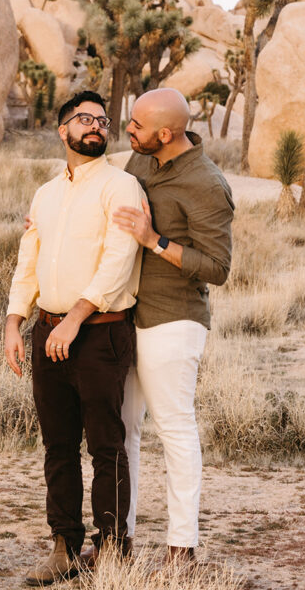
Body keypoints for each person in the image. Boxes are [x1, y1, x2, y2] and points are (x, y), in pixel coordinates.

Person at [4, 90, 144, 586]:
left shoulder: (121, 186)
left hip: (100, 336)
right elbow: (29, 260)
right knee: (58, 446)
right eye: (84, 119)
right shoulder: (46, 194)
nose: (96, 127)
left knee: (107, 446)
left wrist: (74, 319)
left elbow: (118, 260)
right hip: (47, 332)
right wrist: (14, 322)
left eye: (103, 121)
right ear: (62, 131)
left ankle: (111, 553)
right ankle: (64, 546)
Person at [112, 87, 234, 570]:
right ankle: (118, 537)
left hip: (175, 318)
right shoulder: (139, 163)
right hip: (126, 313)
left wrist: (154, 240)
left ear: (166, 133)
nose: (129, 130)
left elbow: (218, 268)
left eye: (138, 126)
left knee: (174, 428)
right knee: (121, 429)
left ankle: (181, 549)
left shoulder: (207, 183)